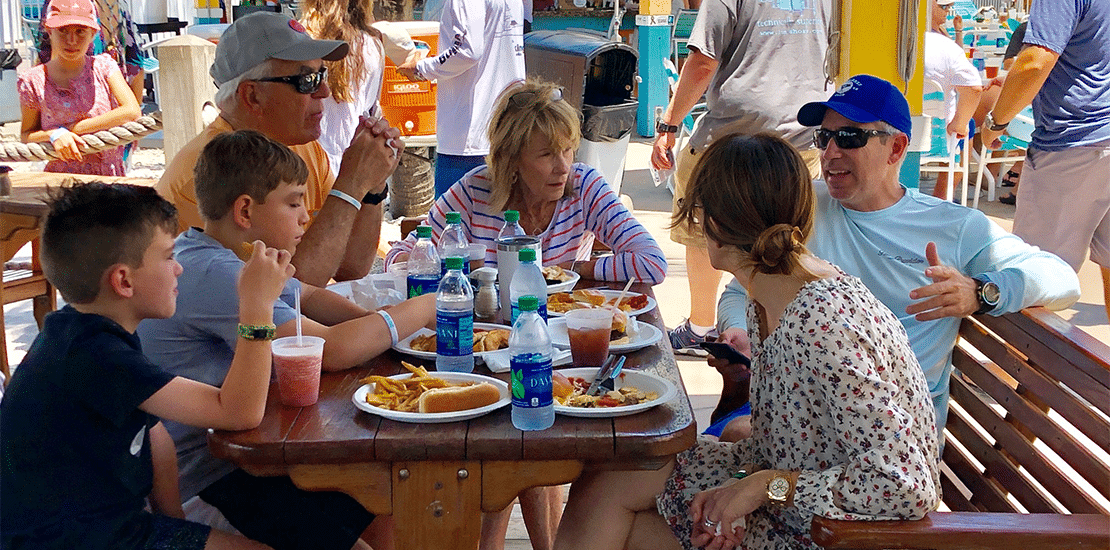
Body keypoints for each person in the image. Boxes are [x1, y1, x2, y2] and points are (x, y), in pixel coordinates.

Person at [553, 132, 941, 550]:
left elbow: (904, 484)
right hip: (797, 502)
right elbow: (779, 448)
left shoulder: (823, 322)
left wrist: (759, 491)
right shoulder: (771, 294)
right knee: (608, 476)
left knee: (612, 510)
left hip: (837, 532)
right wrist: (737, 489)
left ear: (715, 223)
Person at [709, 74, 1079, 440]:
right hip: (802, 408)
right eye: (824, 137)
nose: (831, 152)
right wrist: (737, 330)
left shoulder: (952, 227)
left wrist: (979, 293)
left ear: (897, 148)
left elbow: (1062, 279)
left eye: (850, 137)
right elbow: (740, 290)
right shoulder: (803, 206)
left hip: (891, 438)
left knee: (724, 442)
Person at [138, 130, 440, 550]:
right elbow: (331, 350)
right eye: (294, 201)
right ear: (245, 209)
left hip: (248, 458)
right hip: (207, 477)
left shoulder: (236, 255)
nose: (306, 215)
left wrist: (386, 332)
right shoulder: (216, 273)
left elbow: (311, 298)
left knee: (385, 502)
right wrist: (430, 306)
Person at [1, 181, 292, 550]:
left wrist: (175, 525)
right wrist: (256, 307)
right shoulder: (95, 355)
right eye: (169, 256)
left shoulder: (83, 332)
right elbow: (240, 412)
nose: (179, 270)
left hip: (100, 525)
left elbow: (156, 437)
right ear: (123, 280)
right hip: (67, 538)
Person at [156, 11, 400, 286]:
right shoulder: (204, 174)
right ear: (252, 96)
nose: (325, 92)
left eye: (323, 75)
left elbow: (350, 266)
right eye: (307, 80)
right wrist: (352, 183)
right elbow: (285, 289)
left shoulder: (303, 150)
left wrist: (372, 186)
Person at [650, 0, 831, 355]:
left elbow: (703, 62)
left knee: (701, 225)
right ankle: (779, 325)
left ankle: (702, 325)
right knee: (790, 236)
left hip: (732, 136)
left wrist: (669, 123)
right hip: (804, 135)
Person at [386, 79, 667, 285]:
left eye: (568, 149)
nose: (563, 167)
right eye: (546, 155)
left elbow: (652, 263)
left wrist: (572, 269)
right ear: (512, 159)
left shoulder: (585, 186)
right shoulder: (474, 191)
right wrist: (438, 266)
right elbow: (397, 258)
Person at [980, 1, 1110, 322]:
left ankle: (1017, 373)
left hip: (1073, 144)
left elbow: (1033, 64)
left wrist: (996, 122)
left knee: (1030, 281)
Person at [397, 0, 525, 198]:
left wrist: (421, 68)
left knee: (451, 223)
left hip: (467, 137)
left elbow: (467, 51)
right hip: (507, 130)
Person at [18, 0, 141, 176]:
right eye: (63, 30)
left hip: (109, 178)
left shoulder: (105, 67)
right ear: (49, 30)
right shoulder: (33, 81)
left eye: (80, 31)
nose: (71, 40)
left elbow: (132, 111)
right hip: (62, 181)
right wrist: (54, 135)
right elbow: (26, 135)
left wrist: (71, 129)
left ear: (93, 34)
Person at [301, 0, 386, 177]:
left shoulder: (302, 40)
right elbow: (370, 107)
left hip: (309, 160)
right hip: (356, 161)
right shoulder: (373, 44)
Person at [925, 0, 982, 201]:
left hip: (894, 130)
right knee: (965, 126)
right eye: (943, 7)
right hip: (938, 139)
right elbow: (974, 88)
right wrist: (960, 123)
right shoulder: (943, 46)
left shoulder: (893, 41)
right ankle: (942, 197)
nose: (947, 12)